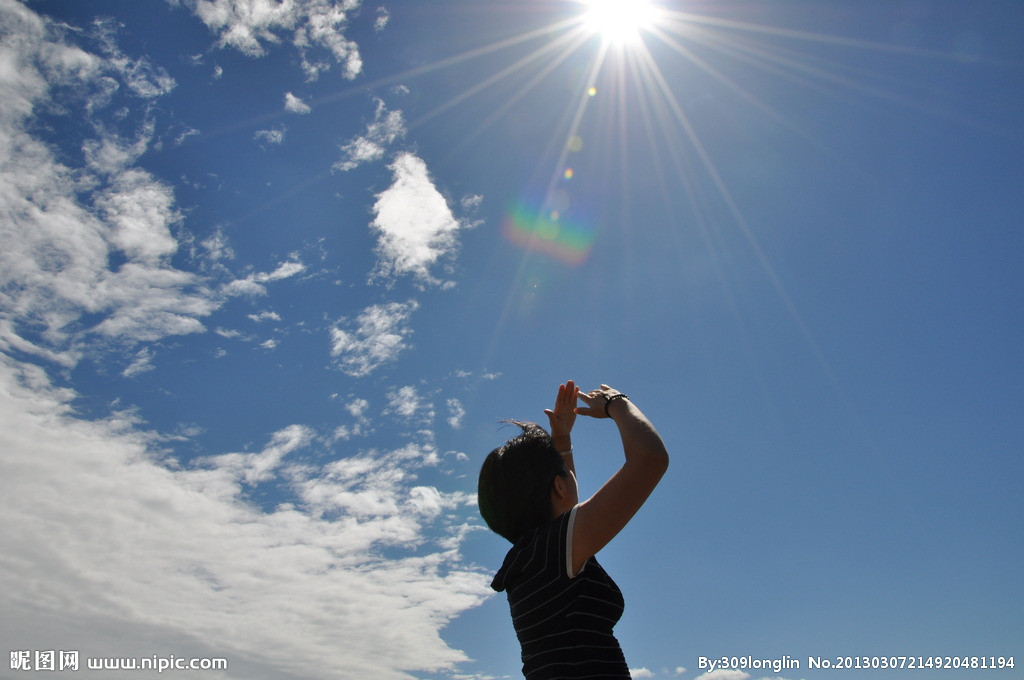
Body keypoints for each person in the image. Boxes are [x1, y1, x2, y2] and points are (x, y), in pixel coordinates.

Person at [478, 380, 669, 679]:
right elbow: (650, 459)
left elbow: (564, 507)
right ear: (558, 485)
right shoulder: (550, 552)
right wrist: (615, 402)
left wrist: (562, 440)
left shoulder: (533, 559)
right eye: (565, 473)